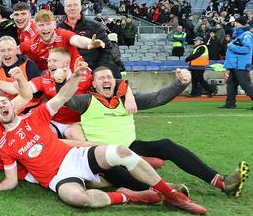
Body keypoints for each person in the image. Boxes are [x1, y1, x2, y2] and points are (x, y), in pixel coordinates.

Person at [0, 63, 208, 215]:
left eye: (4, 102)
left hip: (76, 157)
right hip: (57, 177)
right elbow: (11, 179)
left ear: (13, 106)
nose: (2, 105)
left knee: (120, 151)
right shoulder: (5, 146)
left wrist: (75, 77)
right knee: (77, 199)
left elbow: (63, 96)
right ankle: (129, 197)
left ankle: (172, 195)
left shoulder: (35, 116)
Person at [66, 67, 248, 198]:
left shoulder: (127, 99)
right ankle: (165, 190)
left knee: (165, 145)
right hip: (103, 155)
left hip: (129, 147)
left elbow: (157, 98)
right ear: (94, 85)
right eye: (101, 78)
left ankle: (221, 182)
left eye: (109, 77)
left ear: (115, 82)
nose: (106, 80)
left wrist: (180, 83)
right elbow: (65, 99)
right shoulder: (86, 101)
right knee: (115, 170)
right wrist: (62, 79)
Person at [58, 0, 115, 72]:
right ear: (64, 9)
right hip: (66, 74)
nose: (72, 8)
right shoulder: (58, 29)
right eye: (69, 6)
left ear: (81, 7)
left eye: (75, 5)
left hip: (90, 73)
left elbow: (107, 49)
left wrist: (98, 71)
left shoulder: (95, 26)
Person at [220, 15, 253, 109]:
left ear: (241, 24)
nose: (234, 24)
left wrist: (231, 46)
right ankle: (230, 104)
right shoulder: (238, 34)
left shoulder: (246, 35)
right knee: (231, 84)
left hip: (241, 64)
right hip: (235, 64)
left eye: (237, 23)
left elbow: (246, 49)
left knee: (245, 84)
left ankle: (230, 103)